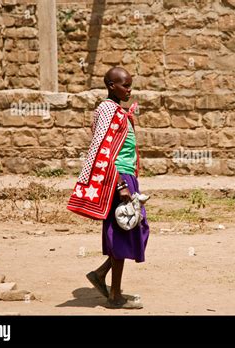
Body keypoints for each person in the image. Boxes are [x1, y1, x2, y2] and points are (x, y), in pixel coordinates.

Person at [84, 67, 149, 310]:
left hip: (126, 177)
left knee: (135, 229)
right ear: (111, 85)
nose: (129, 90)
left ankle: (101, 275)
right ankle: (114, 296)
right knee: (124, 231)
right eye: (125, 85)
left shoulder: (118, 111)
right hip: (117, 178)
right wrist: (120, 184)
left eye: (131, 85)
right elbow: (102, 149)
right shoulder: (106, 110)